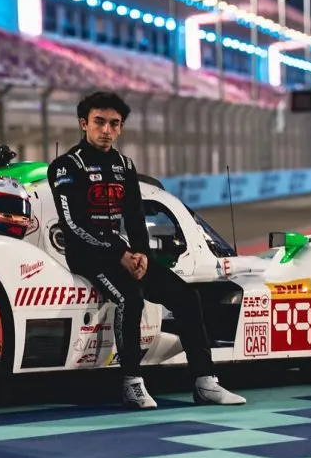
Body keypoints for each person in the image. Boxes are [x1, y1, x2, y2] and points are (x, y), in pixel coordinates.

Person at [48, 90, 246, 411]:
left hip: (122, 253)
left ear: (121, 127)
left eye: (114, 124)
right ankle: (132, 382)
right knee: (130, 298)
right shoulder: (65, 166)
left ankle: (205, 381)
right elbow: (74, 224)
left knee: (186, 296)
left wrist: (141, 253)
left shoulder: (124, 165)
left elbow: (135, 216)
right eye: (99, 122)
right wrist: (120, 253)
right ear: (84, 124)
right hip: (85, 255)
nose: (107, 130)